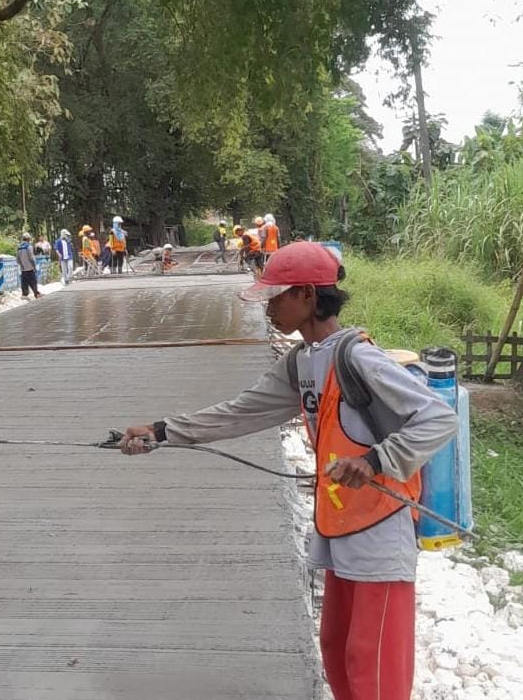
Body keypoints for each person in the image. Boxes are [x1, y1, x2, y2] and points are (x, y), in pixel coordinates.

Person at [119, 241, 457, 700]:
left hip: (379, 527)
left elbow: (438, 418)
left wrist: (375, 459)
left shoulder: (357, 357)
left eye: (277, 297)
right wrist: (162, 431)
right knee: (338, 651)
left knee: (372, 665)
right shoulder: (302, 362)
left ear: (306, 295)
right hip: (340, 525)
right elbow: (241, 412)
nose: (270, 307)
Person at [16, 232, 41, 298]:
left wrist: (22, 266)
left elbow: (17, 260)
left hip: (23, 269)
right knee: (33, 282)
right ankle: (36, 294)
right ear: (28, 239)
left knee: (24, 283)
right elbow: (31, 258)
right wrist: (34, 267)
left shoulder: (19, 247)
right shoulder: (29, 246)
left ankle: (24, 295)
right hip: (30, 268)